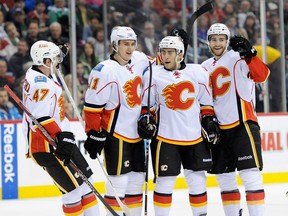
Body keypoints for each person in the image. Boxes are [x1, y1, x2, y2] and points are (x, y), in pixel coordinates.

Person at [139, 35, 220, 216]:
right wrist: (145, 119)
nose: (165, 56)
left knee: (198, 181)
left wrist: (209, 121)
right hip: (166, 138)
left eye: (170, 52)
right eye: (163, 52)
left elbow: (206, 104)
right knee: (164, 183)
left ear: (181, 54)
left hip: (195, 138)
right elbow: (147, 106)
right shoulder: (153, 75)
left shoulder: (198, 72)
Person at [22, 40, 100, 215]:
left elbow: (47, 62)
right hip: (47, 144)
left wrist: (58, 51)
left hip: (60, 139)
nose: (59, 61)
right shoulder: (41, 84)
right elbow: (40, 118)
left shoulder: (37, 71)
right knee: (72, 192)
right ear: (47, 62)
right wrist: (61, 136)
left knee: (87, 183)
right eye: (56, 59)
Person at [83, 26, 154, 216]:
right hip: (117, 135)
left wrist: (179, 43)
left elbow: (163, 63)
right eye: (125, 44)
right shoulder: (104, 70)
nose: (129, 49)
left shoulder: (140, 59)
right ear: (115, 45)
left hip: (138, 134)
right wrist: (93, 133)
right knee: (118, 181)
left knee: (137, 181)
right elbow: (92, 107)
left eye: (132, 44)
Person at [201, 23, 270, 216]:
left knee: (250, 175)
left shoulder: (238, 58)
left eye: (221, 39)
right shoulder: (204, 67)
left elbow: (262, 76)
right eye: (213, 39)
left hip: (243, 125)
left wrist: (251, 54)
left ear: (227, 40)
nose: (217, 43)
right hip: (218, 130)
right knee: (224, 178)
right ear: (208, 42)